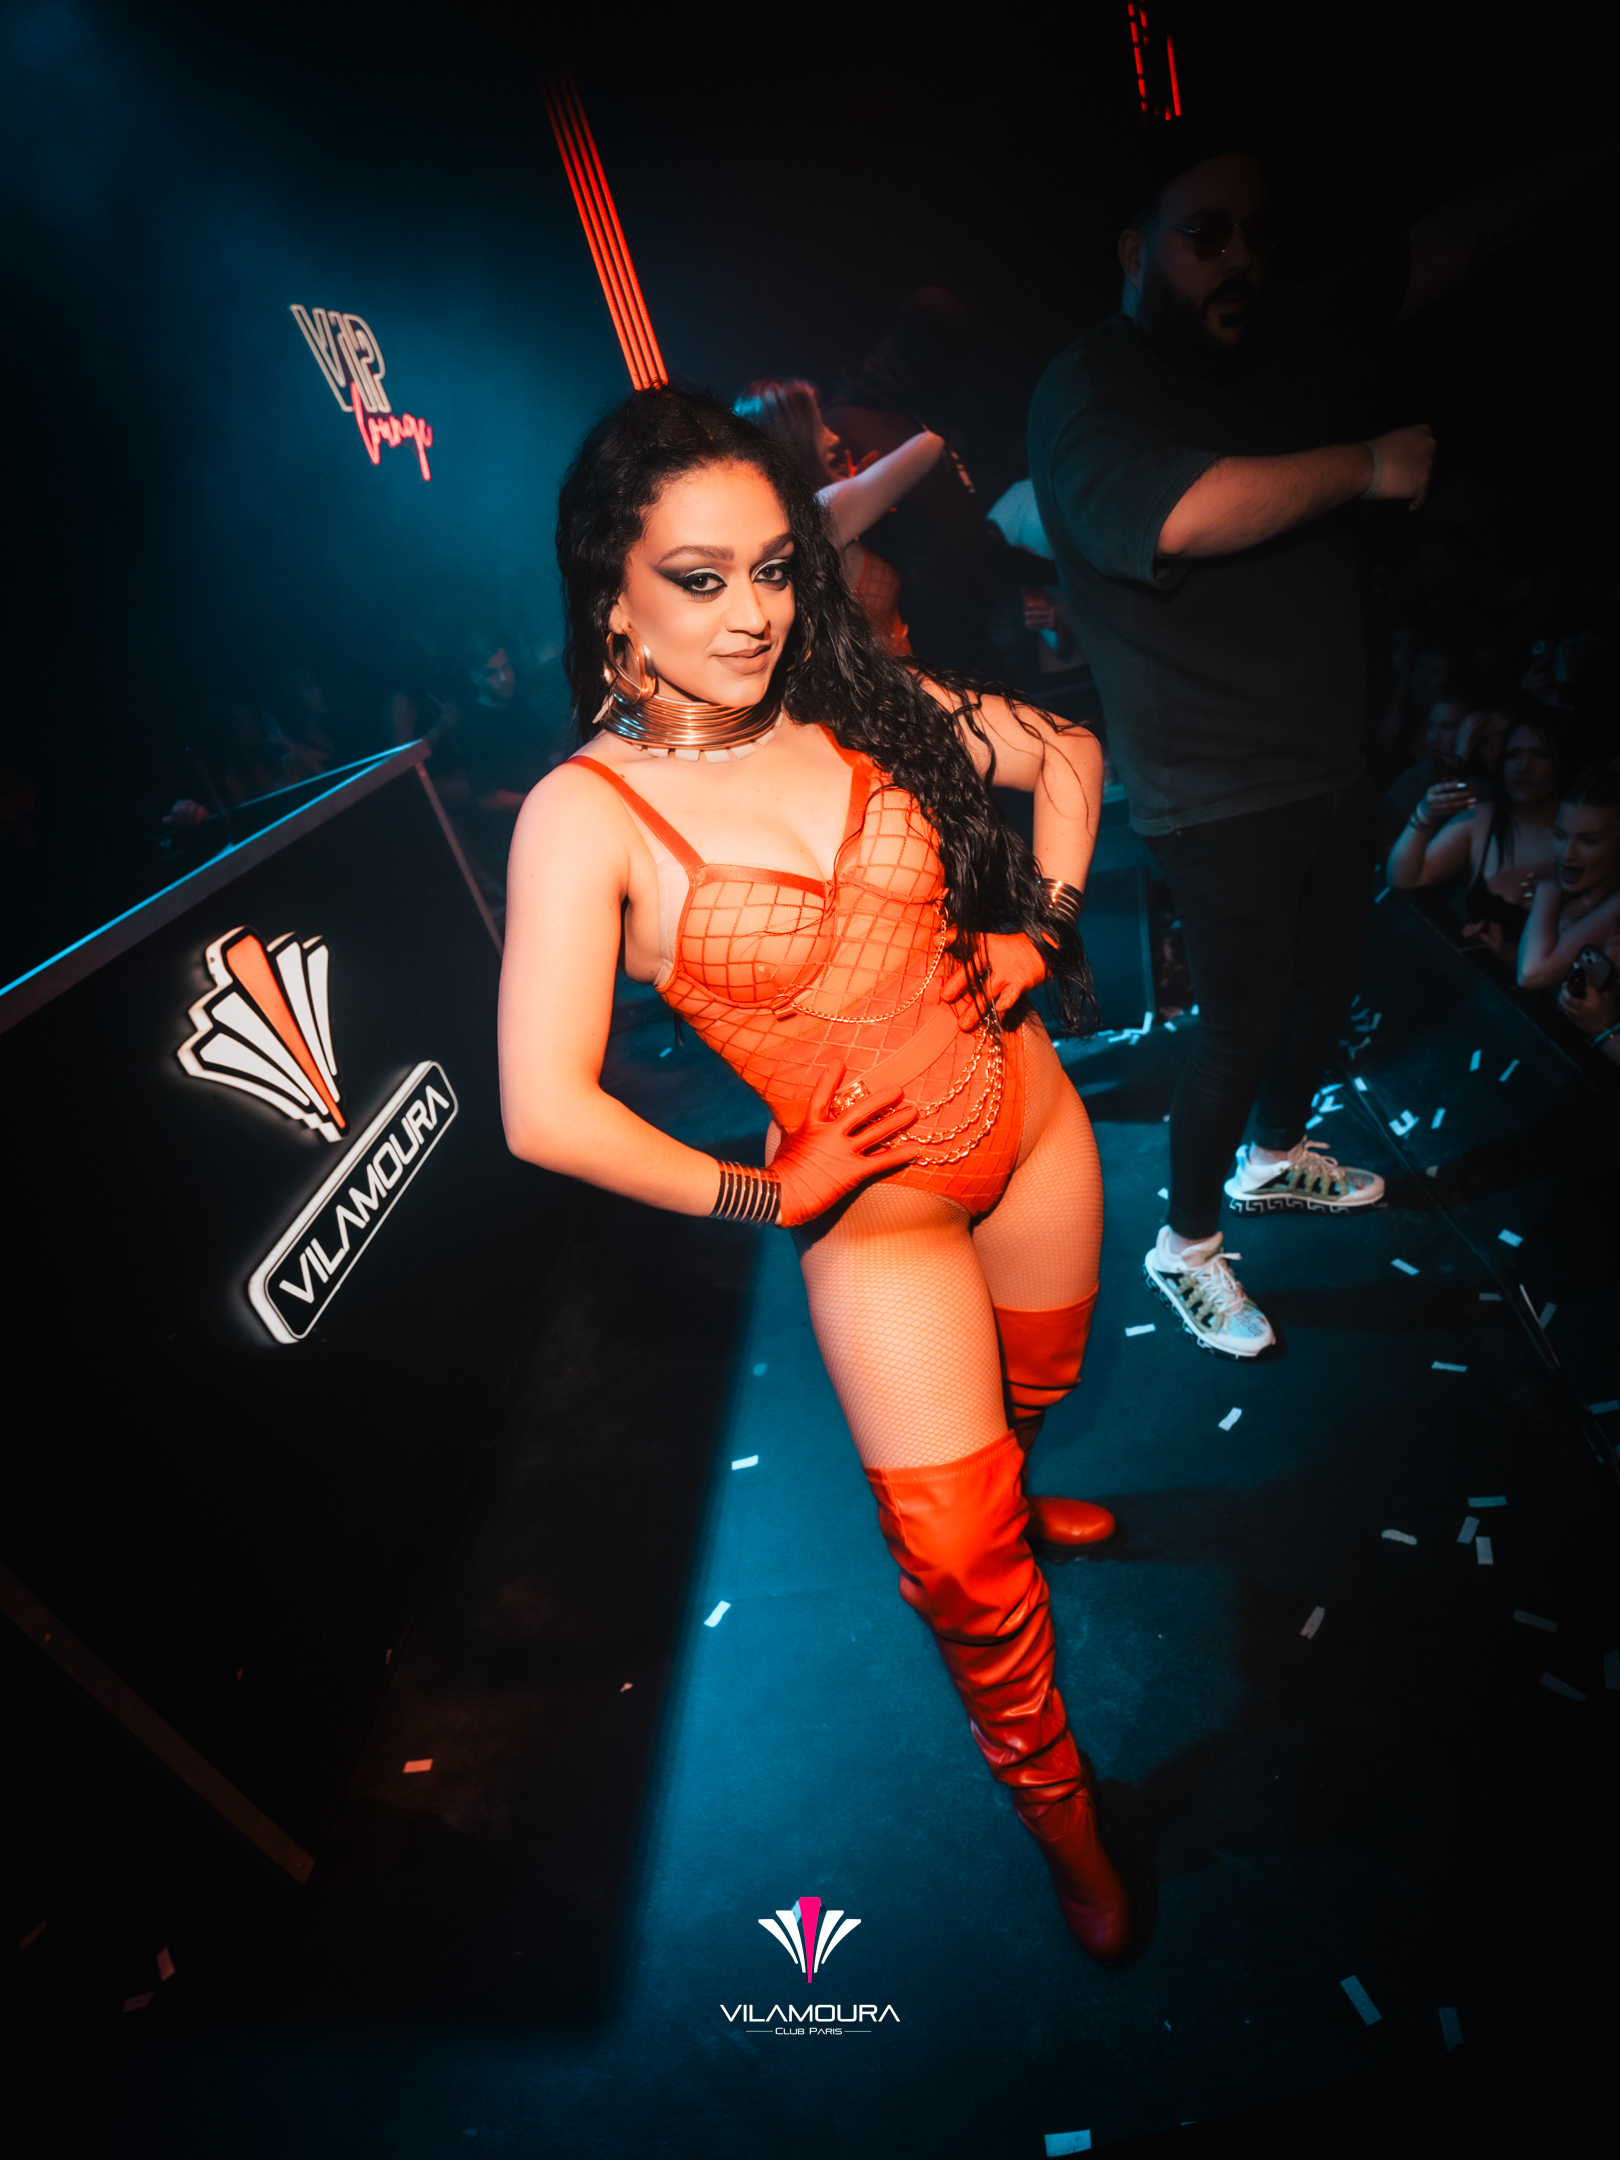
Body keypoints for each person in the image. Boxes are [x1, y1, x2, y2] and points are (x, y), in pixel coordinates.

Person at [499, 387, 1130, 1959]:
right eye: (700, 577)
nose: (754, 614)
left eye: (776, 569)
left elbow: (1069, 753)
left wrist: (1038, 937)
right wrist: (767, 1198)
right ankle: (1067, 1822)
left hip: (1034, 1119)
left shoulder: (853, 696)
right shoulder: (582, 817)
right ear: (613, 590)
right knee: (959, 1565)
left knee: (1037, 1386)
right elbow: (543, 1111)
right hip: (877, 1211)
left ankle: (1021, 1480)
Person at [1028, 124, 1608, 1358]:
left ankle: (1274, 1157)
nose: (1238, 258)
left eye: (1256, 233)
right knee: (1240, 1024)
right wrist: (1367, 467)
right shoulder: (1088, 390)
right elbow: (1179, 514)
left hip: (1327, 754)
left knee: (1328, 982)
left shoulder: (1285, 328)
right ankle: (1185, 1245)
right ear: (1135, 251)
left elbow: (1446, 244)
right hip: (1212, 784)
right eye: (1206, 234)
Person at [823, 290, 1018, 675]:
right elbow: (833, 548)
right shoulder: (842, 427)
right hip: (917, 660)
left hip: (974, 647)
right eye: (951, 355)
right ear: (924, 349)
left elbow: (956, 537)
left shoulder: (918, 417)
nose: (959, 372)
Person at [733, 378, 944, 655]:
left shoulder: (795, 522)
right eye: (818, 425)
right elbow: (930, 445)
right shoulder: (823, 512)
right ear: (793, 438)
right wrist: (858, 488)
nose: (833, 437)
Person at [1386, 711, 1562, 955]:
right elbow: (1402, 878)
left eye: (1540, 755)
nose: (1523, 767)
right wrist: (1424, 814)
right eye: (1513, 755)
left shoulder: (1584, 840)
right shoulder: (1481, 820)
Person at [1518, 762, 1620, 992]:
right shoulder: (1581, 894)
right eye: (1560, 835)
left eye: (1589, 841)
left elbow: (1531, 973)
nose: (1566, 854)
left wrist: (1548, 889)